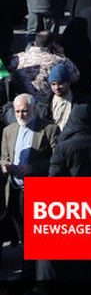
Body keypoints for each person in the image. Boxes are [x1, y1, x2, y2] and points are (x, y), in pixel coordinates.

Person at [0, 93, 58, 253]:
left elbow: (56, 161)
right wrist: (5, 165)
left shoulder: (49, 129)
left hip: (37, 189)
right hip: (14, 189)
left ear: (34, 108)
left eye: (24, 111)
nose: (20, 115)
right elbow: (4, 156)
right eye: (17, 111)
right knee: (20, 228)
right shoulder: (8, 131)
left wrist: (34, 168)